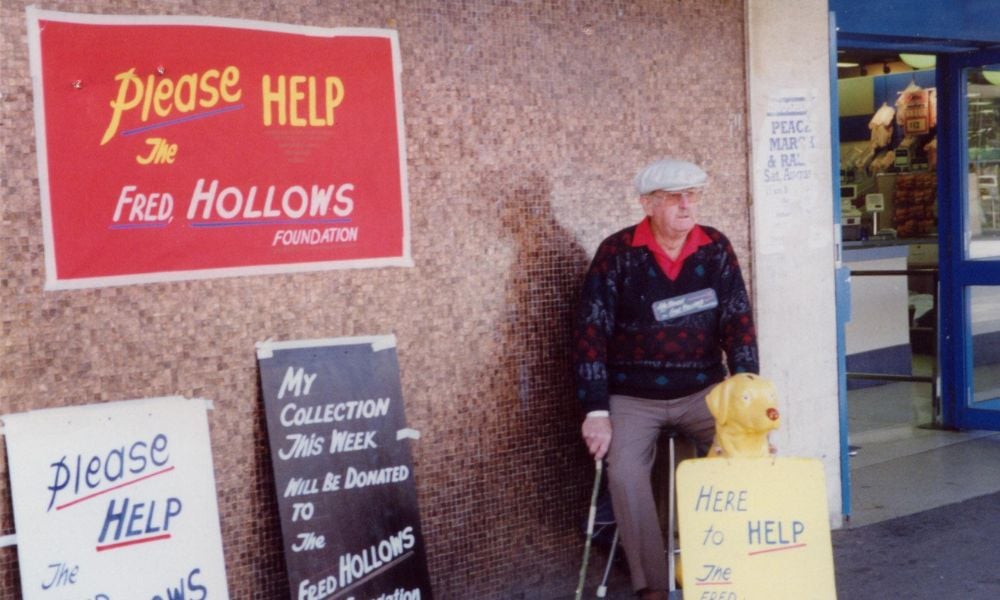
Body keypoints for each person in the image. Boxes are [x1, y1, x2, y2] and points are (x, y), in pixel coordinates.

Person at [573, 158, 759, 599]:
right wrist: (595, 409)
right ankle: (653, 588)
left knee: (746, 454)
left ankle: (724, 573)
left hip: (704, 391)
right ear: (647, 204)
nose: (686, 204)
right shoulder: (616, 254)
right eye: (675, 196)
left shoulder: (715, 247)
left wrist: (748, 395)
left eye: (693, 194)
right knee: (624, 473)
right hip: (633, 395)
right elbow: (590, 333)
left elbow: (738, 322)